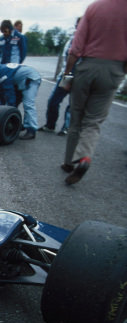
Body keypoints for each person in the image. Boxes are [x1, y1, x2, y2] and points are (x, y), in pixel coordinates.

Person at [60, 0, 127, 185]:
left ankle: (68, 162)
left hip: (88, 66)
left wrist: (67, 75)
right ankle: (84, 158)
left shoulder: (95, 7)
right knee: (93, 121)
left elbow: (76, 46)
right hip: (114, 69)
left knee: (76, 118)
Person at [38, 17, 80, 136]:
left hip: (77, 76)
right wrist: (65, 75)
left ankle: (66, 127)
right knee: (53, 101)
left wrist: (69, 76)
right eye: (77, 25)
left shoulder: (86, 40)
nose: (78, 27)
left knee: (73, 104)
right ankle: (50, 125)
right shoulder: (72, 38)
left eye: (80, 25)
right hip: (66, 75)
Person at [0, 62, 41, 140]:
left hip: (31, 78)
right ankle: (18, 124)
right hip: (21, 80)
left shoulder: (3, 73)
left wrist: (8, 112)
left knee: (28, 104)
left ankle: (31, 130)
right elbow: (1, 93)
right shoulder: (0, 72)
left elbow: (9, 93)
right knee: (14, 104)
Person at [0, 19, 27, 103]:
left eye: (5, 31)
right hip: (2, 66)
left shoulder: (19, 37)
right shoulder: (1, 38)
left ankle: (12, 106)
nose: (4, 33)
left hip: (13, 68)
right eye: (2, 32)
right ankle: (0, 104)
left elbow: (23, 52)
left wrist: (17, 64)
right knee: (1, 86)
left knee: (12, 87)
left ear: (10, 28)